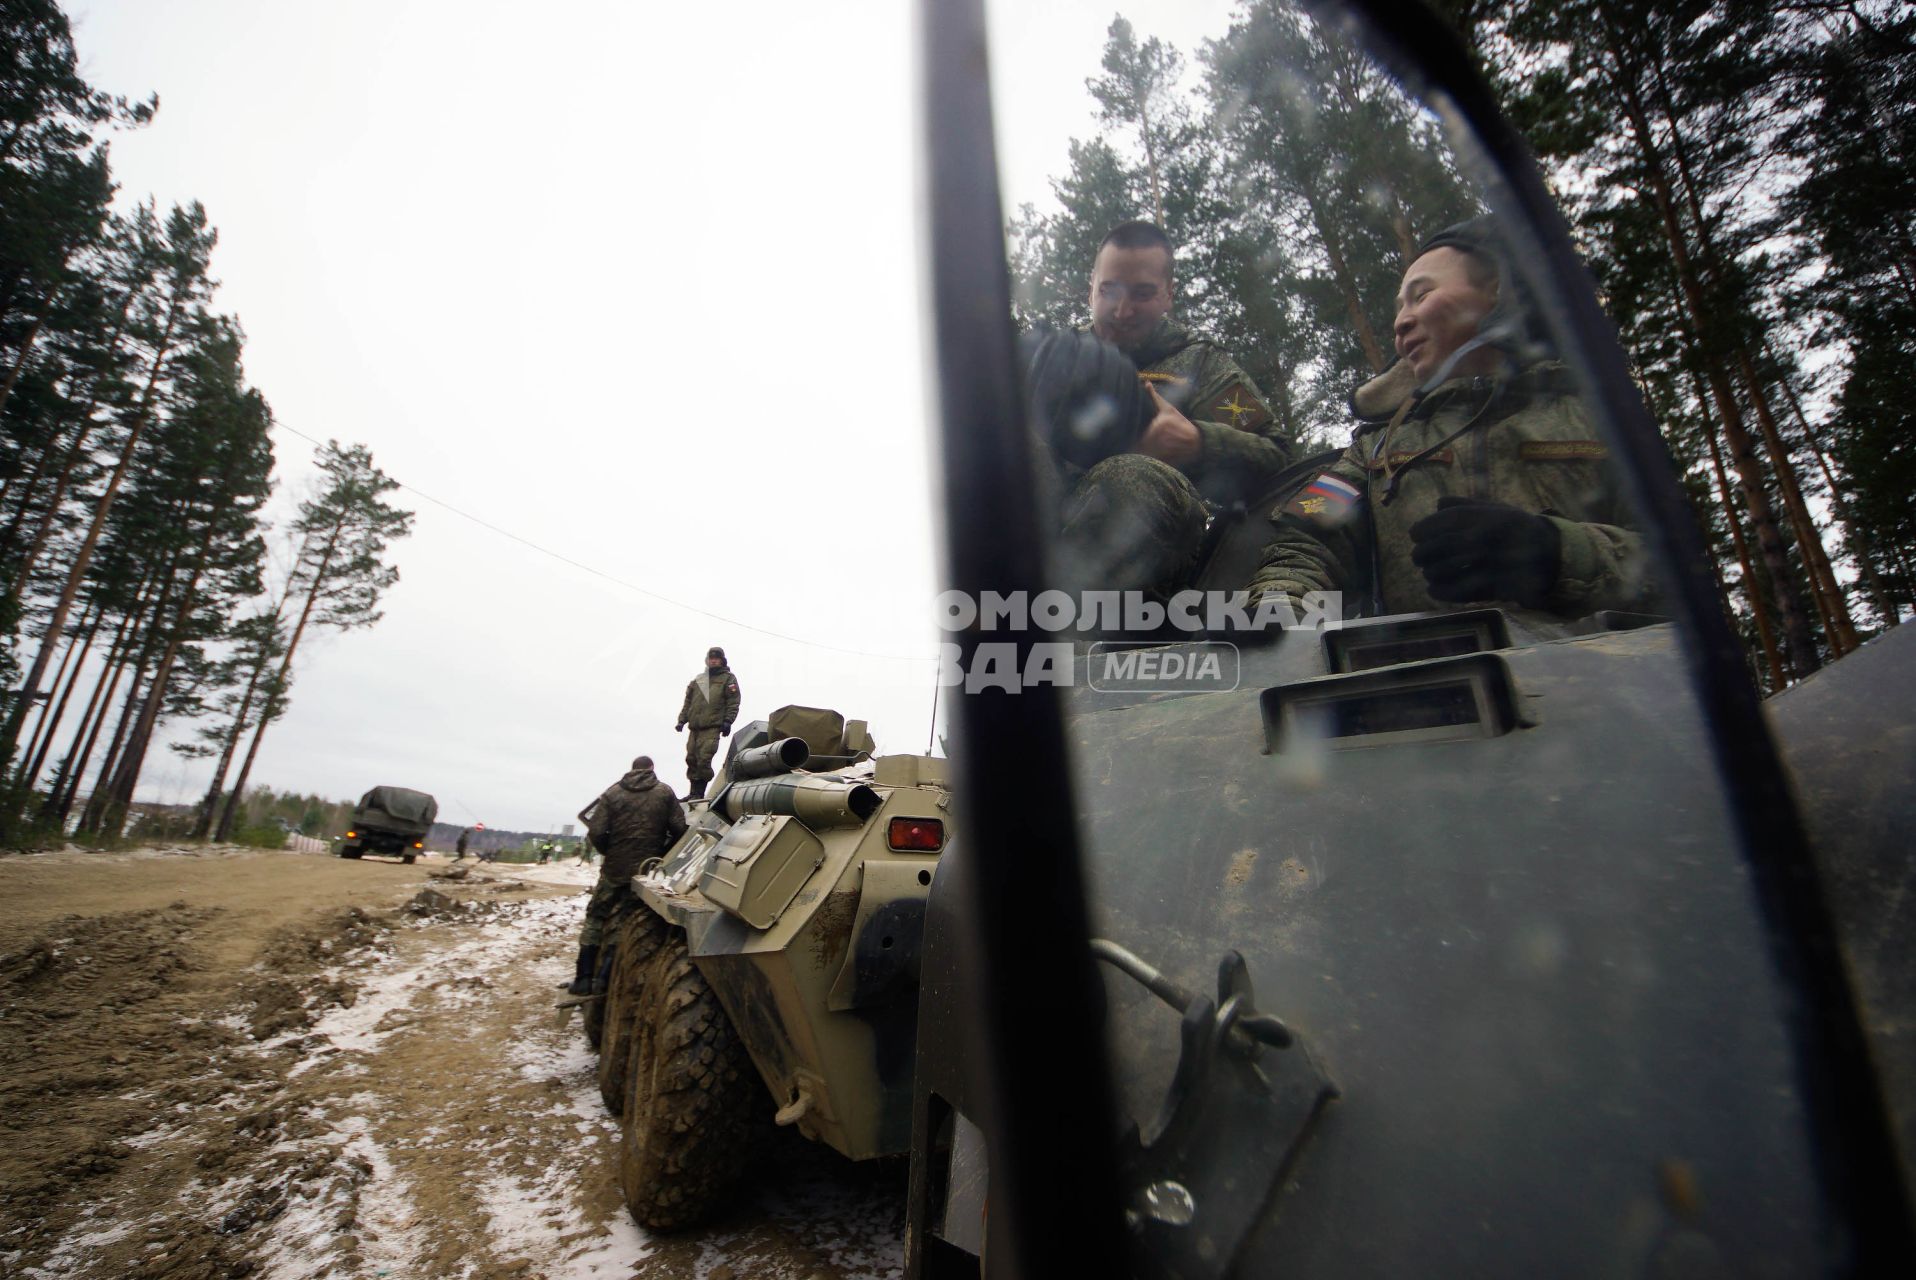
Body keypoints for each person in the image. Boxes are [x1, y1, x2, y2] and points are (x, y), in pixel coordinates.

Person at [1246, 217, 1652, 619]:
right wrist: (1278, 603)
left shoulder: (1600, 420)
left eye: (1421, 296)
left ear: (1498, 292)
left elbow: (1674, 563)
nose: (1400, 321)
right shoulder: (1373, 450)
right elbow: (1308, 542)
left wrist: (1556, 552)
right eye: (1400, 306)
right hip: (1428, 675)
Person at [1051, 221, 1290, 597]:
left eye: (1142, 293)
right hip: (1054, 541)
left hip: (1165, 567)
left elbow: (1279, 457)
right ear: (1090, 290)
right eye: (1108, 290)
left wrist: (1199, 442)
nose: (1122, 310)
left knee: (1131, 475)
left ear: (1168, 296)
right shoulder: (1055, 363)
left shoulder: (1200, 365)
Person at [567, 755, 687, 996]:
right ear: (652, 769)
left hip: (613, 869)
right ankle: (604, 980)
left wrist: (609, 851)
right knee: (626, 922)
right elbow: (679, 829)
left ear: (632, 769)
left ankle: (583, 979)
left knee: (595, 918)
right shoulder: (664, 793)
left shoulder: (613, 793)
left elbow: (597, 831)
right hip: (645, 869)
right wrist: (661, 852)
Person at [675, 646, 739, 801]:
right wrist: (681, 720)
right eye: (711, 658)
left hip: (712, 726)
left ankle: (699, 793)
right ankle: (693, 792)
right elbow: (688, 702)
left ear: (722, 660)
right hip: (695, 727)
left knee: (704, 758)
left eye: (716, 658)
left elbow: (733, 701)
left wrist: (728, 721)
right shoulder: (699, 679)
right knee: (691, 758)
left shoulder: (728, 679)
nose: (713, 661)